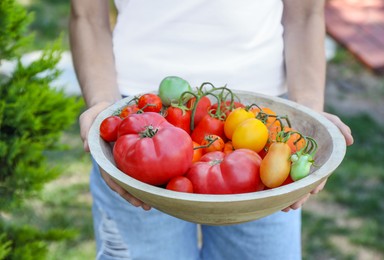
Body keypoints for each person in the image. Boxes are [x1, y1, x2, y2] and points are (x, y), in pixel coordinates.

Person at [69, 0, 354, 259]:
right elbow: (87, 16)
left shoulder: (276, 140)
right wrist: (102, 105)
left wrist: (309, 114)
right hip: (139, 119)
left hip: (266, 128)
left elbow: (305, 14)